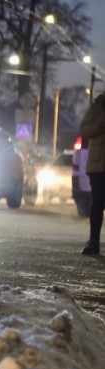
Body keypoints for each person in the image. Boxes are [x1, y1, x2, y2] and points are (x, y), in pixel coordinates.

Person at [79, 92, 105, 255]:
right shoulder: (98, 106)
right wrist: (100, 125)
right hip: (98, 165)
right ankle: (94, 243)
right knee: (97, 204)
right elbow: (84, 129)